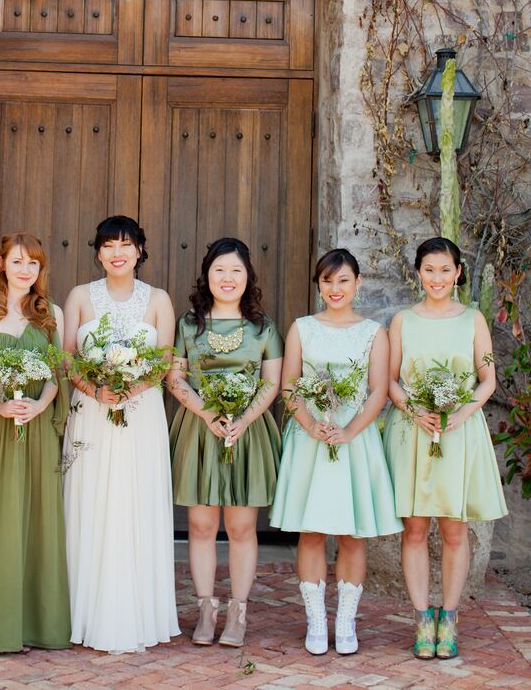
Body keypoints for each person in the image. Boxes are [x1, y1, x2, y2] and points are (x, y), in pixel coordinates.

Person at [270, 248, 402, 655]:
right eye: (327, 281)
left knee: (351, 533)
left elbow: (379, 390)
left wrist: (347, 432)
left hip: (354, 439)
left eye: (343, 280)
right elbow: (289, 385)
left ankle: (345, 622)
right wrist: (312, 426)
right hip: (311, 438)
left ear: (358, 283)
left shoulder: (373, 333)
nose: (335, 288)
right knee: (310, 533)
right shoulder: (302, 328)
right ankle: (315, 621)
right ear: (319, 285)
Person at [383, 236, 507, 660]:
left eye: (445, 270)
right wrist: (413, 410)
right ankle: (421, 618)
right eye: (429, 269)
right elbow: (391, 380)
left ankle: (449, 619)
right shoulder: (402, 320)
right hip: (413, 430)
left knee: (454, 529)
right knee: (415, 528)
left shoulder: (473, 320)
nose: (437, 278)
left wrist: (463, 411)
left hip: (459, 430)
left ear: (458, 273)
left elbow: (488, 378)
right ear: (418, 272)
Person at [63, 215, 179, 654]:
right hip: (91, 410)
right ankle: (83, 612)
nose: (117, 253)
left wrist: (132, 386)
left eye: (126, 245)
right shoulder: (79, 296)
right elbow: (68, 357)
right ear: (98, 251)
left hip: (140, 412)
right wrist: (96, 388)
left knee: (135, 499)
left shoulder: (158, 300)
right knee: (90, 499)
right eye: (109, 245)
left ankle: (137, 614)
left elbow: (164, 360)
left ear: (140, 251)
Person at [0, 232, 71, 653]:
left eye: (33, 264)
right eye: (17, 261)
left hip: (36, 429)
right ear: (1, 263)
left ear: (41, 270)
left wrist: (39, 407)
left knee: (37, 518)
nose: (25, 270)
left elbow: (58, 376)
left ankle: (38, 623)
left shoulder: (51, 313)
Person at [167, 237, 283, 649]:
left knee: (240, 526)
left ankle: (238, 611)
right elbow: (175, 376)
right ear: (207, 275)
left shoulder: (263, 327)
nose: (228, 278)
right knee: (200, 525)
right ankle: (205, 608)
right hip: (200, 430)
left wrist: (244, 418)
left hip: (247, 432)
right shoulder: (187, 324)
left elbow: (273, 383)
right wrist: (207, 413)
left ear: (248, 276)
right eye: (220, 270)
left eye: (235, 270)